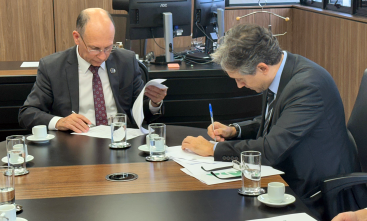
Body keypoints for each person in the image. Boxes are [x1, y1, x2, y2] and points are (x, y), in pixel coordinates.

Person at [181, 24, 361, 218]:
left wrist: (213, 150)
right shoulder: (284, 70)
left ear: (262, 67)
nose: (239, 85)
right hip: (289, 174)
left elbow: (271, 150)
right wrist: (235, 130)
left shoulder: (308, 86)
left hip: (317, 192)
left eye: (241, 79)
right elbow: (278, 119)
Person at [18, 8, 167, 133]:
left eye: (108, 47)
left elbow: (140, 113)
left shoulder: (126, 61)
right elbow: (27, 114)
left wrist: (154, 103)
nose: (103, 56)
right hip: (75, 144)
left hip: (121, 142)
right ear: (77, 37)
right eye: (95, 48)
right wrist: (60, 122)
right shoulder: (53, 67)